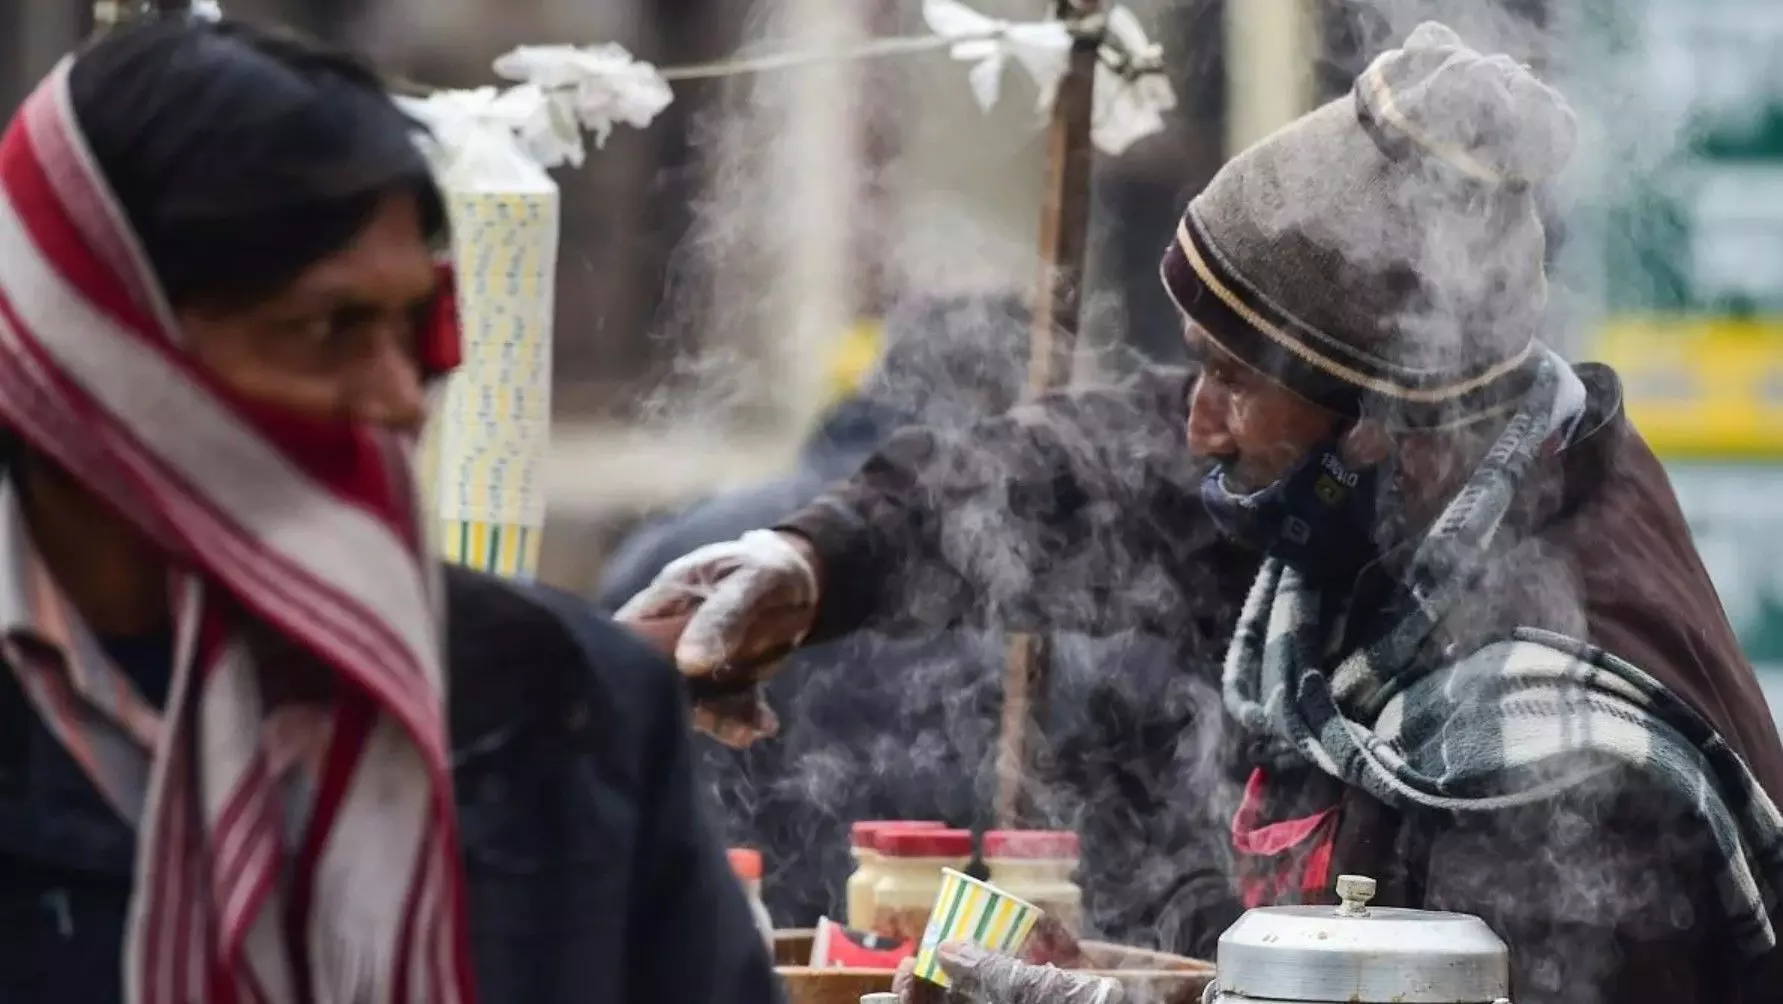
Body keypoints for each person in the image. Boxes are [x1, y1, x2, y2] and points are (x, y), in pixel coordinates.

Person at [618, 23, 1783, 1004]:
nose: (1196, 427)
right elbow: (1075, 477)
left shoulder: (1563, 764)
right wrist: (811, 563)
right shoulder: (1380, 484)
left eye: (1232, 379)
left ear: (1386, 418)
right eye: (1200, 371)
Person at [0, 16, 777, 1004]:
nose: (401, 397)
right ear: (95, 352)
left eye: (416, 326)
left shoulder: (561, 708)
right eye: (327, 329)